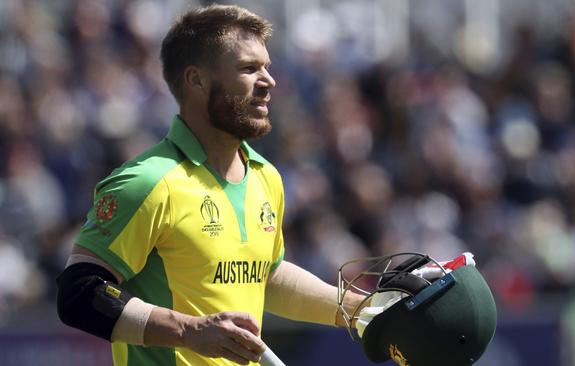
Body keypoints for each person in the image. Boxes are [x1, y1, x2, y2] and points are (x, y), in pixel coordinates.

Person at [56, 4, 361, 366]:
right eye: (248, 68)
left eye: (266, 66)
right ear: (196, 80)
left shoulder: (266, 176)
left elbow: (265, 275)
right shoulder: (149, 182)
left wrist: (360, 309)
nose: (269, 81)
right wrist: (189, 331)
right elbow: (78, 294)